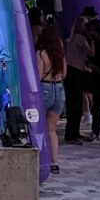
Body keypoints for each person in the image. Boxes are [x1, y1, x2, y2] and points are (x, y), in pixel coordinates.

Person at [36, 23, 66, 173]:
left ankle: (41, 158)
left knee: (38, 126)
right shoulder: (60, 55)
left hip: (45, 88)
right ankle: (54, 162)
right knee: (52, 129)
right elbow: (65, 74)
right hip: (59, 89)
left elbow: (38, 75)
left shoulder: (41, 54)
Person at [63, 15, 94, 144]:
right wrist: (92, 40)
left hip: (70, 72)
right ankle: (72, 134)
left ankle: (73, 132)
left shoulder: (71, 39)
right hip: (76, 72)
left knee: (73, 103)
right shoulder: (80, 38)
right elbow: (90, 53)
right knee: (76, 104)